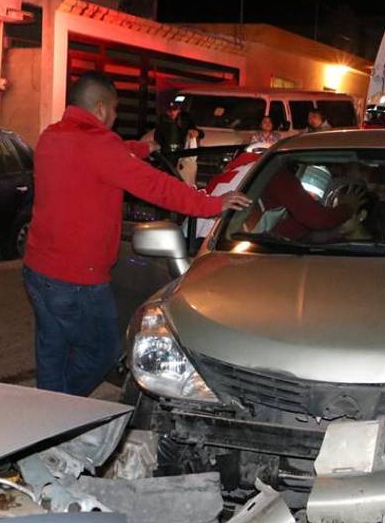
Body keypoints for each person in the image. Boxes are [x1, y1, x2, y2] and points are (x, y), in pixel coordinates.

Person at [24, 72, 250, 396]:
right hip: (78, 280)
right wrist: (211, 204)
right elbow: (156, 186)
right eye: (115, 110)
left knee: (52, 351)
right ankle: (60, 408)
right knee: (101, 353)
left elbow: (106, 155)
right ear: (101, 109)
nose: (116, 117)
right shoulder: (100, 147)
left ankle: (44, 414)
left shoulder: (51, 136)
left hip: (38, 270)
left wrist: (139, 149)